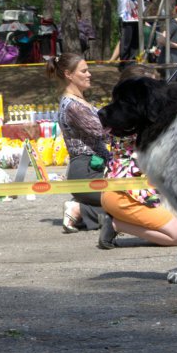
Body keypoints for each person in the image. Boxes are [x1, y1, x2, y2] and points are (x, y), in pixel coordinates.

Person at [98, 64, 177, 249]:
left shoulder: (121, 117)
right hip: (125, 196)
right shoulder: (133, 122)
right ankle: (115, 224)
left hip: (126, 192)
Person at [46, 52, 110, 232]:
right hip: (87, 171)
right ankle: (81, 210)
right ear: (68, 74)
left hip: (95, 168)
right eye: (84, 71)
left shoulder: (79, 102)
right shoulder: (73, 106)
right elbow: (103, 132)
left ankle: (82, 209)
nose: (89, 74)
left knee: (136, 200)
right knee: (130, 203)